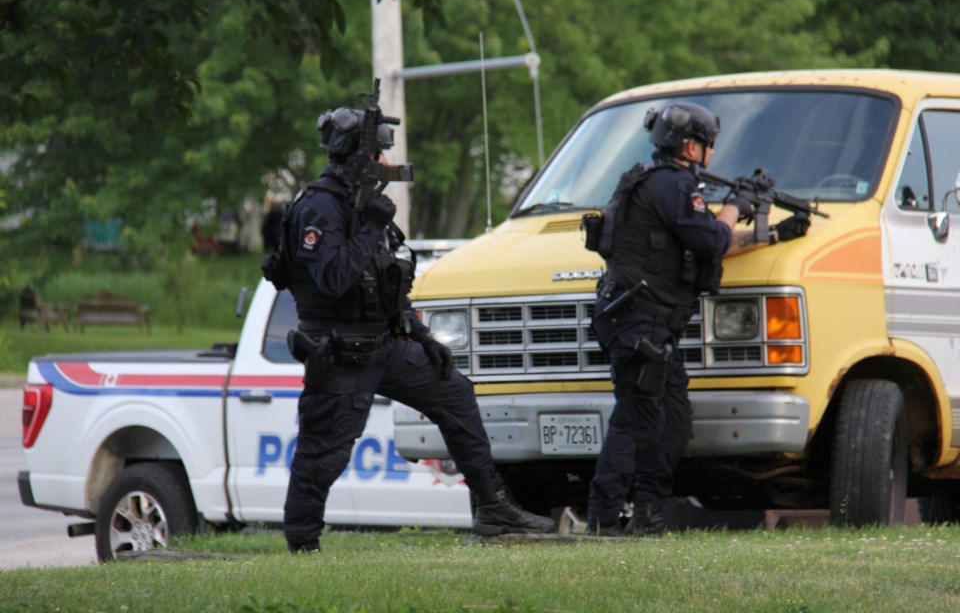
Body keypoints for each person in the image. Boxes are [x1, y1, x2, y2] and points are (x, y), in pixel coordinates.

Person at [270, 102, 556, 554]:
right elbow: (333, 277)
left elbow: (386, 283)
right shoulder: (321, 208)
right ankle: (303, 546)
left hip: (386, 344)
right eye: (380, 154)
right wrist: (369, 228)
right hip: (340, 352)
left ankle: (494, 508)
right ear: (358, 157)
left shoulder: (364, 204)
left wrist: (421, 336)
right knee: (323, 453)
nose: (387, 163)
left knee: (456, 394)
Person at [584, 102, 811, 536]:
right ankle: (603, 519)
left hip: (648, 323)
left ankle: (647, 515)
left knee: (672, 421)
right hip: (640, 323)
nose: (711, 154)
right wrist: (735, 204)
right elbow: (711, 237)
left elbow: (711, 242)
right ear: (691, 146)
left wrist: (776, 234)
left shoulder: (658, 183)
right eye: (708, 146)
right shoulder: (672, 185)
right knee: (637, 419)